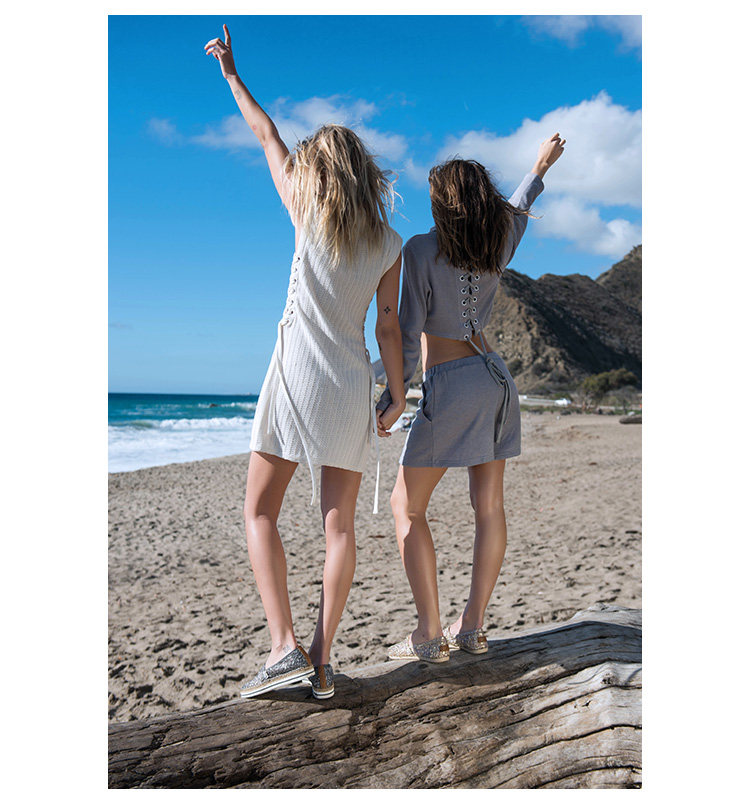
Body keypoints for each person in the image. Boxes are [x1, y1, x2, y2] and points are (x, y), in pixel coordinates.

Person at [205, 25, 406, 699]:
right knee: (338, 528)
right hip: (351, 384)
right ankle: (321, 663)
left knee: (259, 511)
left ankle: (283, 645)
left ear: (321, 169)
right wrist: (397, 393)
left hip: (296, 378)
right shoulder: (389, 243)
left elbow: (266, 134)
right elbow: (388, 324)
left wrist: (233, 77)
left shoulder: (304, 208)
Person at [375, 135, 565, 662]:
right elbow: (519, 207)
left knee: (406, 506)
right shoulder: (496, 243)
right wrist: (539, 166)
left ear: (442, 203)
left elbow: (407, 332)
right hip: (496, 379)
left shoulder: (420, 249)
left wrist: (393, 394)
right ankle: (473, 627)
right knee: (489, 507)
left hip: (452, 383)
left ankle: (428, 632)